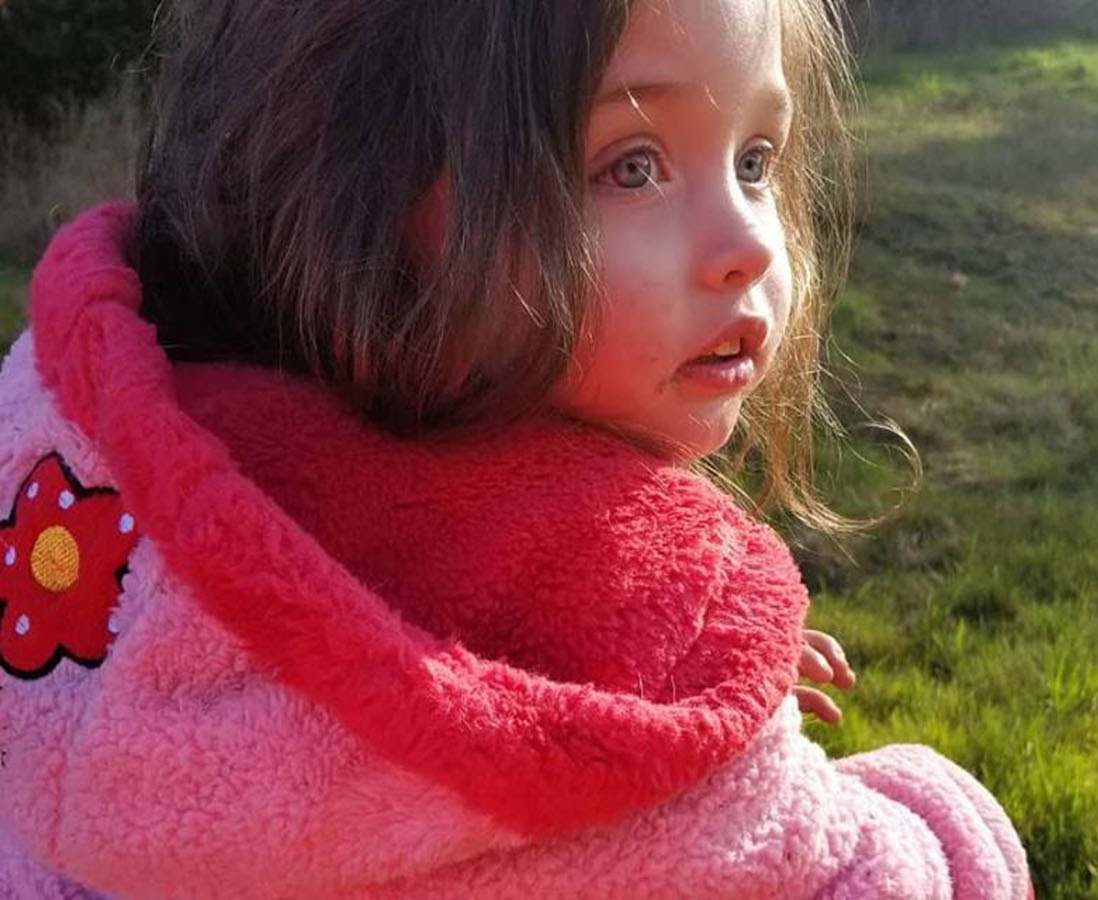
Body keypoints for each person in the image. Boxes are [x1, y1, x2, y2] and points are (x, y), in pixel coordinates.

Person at [0, 0, 1033, 897]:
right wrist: (924, 804)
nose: (752, 243)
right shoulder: (648, 614)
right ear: (353, 196)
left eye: (756, 159)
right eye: (632, 167)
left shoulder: (76, 456)